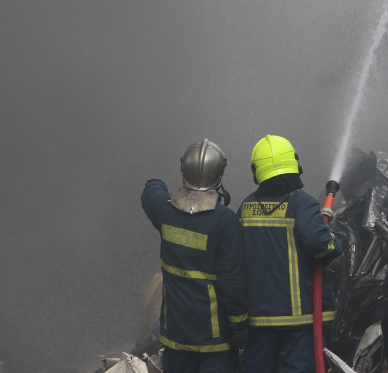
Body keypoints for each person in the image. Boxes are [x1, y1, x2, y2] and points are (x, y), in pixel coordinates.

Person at [142, 140, 249, 373]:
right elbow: (232, 280)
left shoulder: (164, 210)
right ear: (219, 173)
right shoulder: (225, 221)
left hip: (175, 335)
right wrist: (239, 324)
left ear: (184, 169)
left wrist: (156, 182)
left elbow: (150, 191)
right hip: (214, 339)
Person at [240, 135, 342, 373]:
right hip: (301, 318)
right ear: (293, 163)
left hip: (259, 317)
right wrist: (336, 242)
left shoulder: (245, 207)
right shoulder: (301, 203)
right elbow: (321, 243)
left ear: (257, 171)